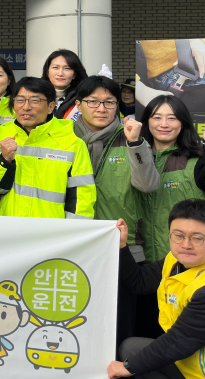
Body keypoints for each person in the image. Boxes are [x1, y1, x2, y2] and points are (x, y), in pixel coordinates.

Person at [71, 75, 159, 347]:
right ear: (79, 105)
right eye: (93, 102)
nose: (102, 108)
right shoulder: (63, 138)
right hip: (74, 243)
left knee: (119, 324)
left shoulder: (130, 137)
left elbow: (148, 185)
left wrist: (135, 144)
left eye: (109, 102)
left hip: (122, 247)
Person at [108, 200, 205, 379]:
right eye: (178, 236)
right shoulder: (174, 260)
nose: (186, 244)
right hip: (187, 360)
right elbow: (139, 281)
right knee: (130, 348)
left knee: (133, 364)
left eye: (197, 238)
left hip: (204, 373)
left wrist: (128, 367)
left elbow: (180, 341)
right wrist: (121, 246)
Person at [0, 77, 95, 218]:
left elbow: (81, 199)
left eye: (35, 100)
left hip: (51, 229)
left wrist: (74, 231)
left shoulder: (71, 143)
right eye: (20, 100)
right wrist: (5, 161)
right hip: (9, 226)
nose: (26, 107)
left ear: (51, 107)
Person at [137, 95, 205, 264]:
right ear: (147, 121)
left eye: (172, 118)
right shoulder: (134, 159)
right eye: (157, 117)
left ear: (182, 123)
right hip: (140, 262)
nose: (164, 124)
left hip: (185, 263)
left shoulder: (197, 161)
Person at [41, 49, 88, 119]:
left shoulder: (84, 97)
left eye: (67, 68)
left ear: (74, 74)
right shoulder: (37, 95)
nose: (60, 73)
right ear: (47, 72)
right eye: (55, 67)